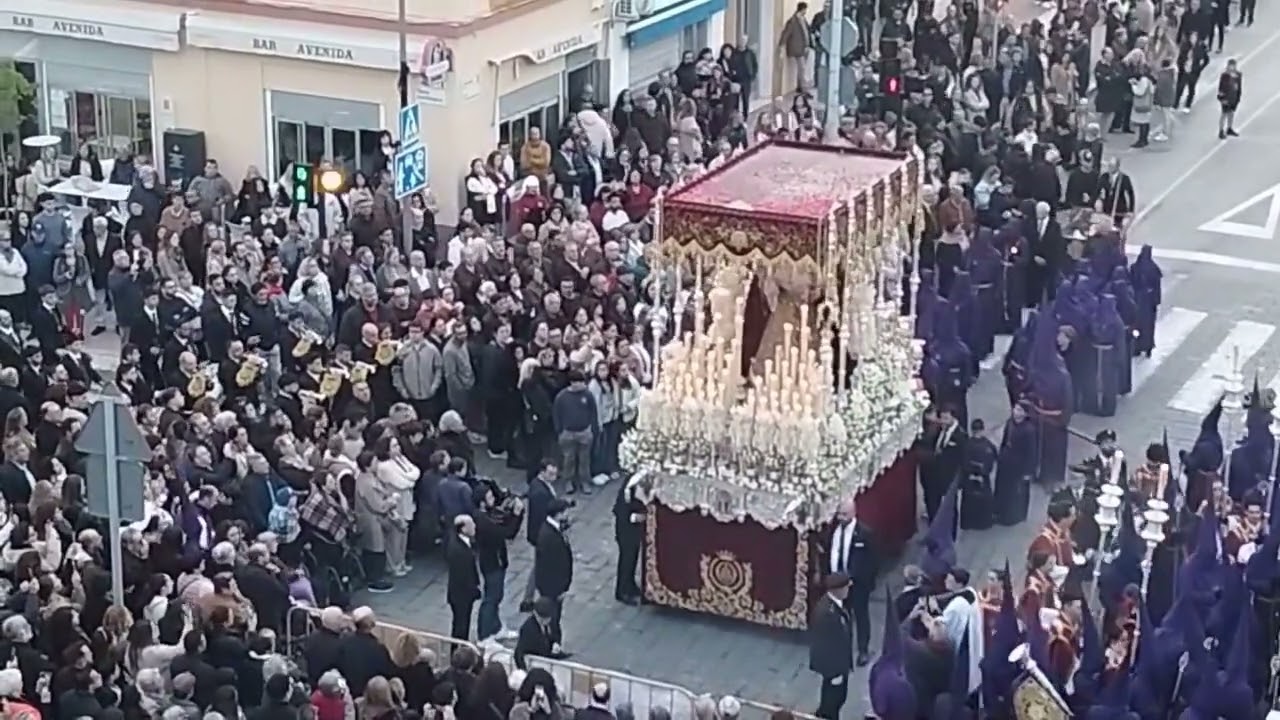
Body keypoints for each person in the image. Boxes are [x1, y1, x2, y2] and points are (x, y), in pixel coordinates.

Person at [823, 500, 877, 665]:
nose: (840, 517)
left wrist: (865, 581)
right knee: (840, 617)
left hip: (857, 585)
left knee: (860, 616)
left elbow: (873, 560)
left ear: (854, 513)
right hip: (837, 583)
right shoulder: (833, 530)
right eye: (839, 514)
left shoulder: (864, 533)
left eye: (844, 514)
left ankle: (863, 649)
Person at [808, 573, 854, 720]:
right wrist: (836, 672)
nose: (848, 590)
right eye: (846, 587)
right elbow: (826, 645)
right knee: (833, 701)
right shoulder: (826, 613)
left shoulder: (836, 606)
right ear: (838, 589)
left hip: (840, 664)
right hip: (834, 668)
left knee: (837, 698)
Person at [533, 498, 574, 636]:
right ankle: (553, 645)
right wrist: (561, 588)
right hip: (553, 587)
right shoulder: (549, 537)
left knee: (554, 617)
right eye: (565, 512)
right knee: (553, 618)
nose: (568, 514)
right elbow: (551, 566)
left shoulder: (551, 529)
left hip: (552, 585)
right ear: (558, 514)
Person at [994, 402, 1037, 526]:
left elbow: (1031, 452)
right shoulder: (1010, 423)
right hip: (1006, 461)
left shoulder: (1029, 430)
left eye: (1019, 410)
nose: (1016, 412)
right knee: (1003, 488)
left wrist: (1028, 471)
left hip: (1019, 465)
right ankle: (1000, 511)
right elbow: (1004, 440)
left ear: (1025, 413)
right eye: (1015, 409)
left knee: (1015, 492)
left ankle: (1012, 517)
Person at [445, 514, 481, 641]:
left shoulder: (461, 542)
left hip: (460, 594)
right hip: (461, 595)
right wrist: (474, 590)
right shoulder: (458, 550)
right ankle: (458, 651)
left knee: (461, 624)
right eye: (471, 525)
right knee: (461, 625)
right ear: (463, 529)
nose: (475, 527)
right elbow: (463, 576)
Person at [1217, 58, 1242, 139]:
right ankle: (1221, 131)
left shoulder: (1238, 74)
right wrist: (1221, 98)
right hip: (1226, 97)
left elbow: (1239, 86)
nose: (1232, 67)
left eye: (1233, 66)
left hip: (1234, 96)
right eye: (1230, 66)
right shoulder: (1225, 75)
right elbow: (1221, 87)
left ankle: (1229, 128)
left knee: (1231, 113)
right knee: (1224, 114)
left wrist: (1238, 97)